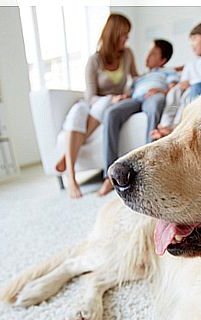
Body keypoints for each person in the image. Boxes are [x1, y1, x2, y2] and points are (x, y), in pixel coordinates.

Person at [56, 14, 138, 199]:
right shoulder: (94, 60)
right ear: (112, 35)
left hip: (109, 105)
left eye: (127, 35)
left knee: (105, 105)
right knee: (77, 111)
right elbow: (90, 95)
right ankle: (71, 178)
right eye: (123, 35)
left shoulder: (127, 55)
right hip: (94, 102)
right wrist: (112, 97)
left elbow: (136, 78)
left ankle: (67, 156)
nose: (126, 39)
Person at [98, 39, 178, 196]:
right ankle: (108, 176)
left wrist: (161, 92)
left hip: (154, 96)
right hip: (135, 99)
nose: (147, 55)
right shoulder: (139, 78)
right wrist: (123, 97)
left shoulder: (168, 72)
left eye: (153, 53)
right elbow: (130, 92)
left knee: (155, 105)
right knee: (111, 113)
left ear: (162, 60)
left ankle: (150, 168)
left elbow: (174, 87)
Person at [150, 21, 201, 141]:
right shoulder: (192, 63)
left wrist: (189, 84)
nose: (191, 44)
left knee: (188, 94)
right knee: (175, 91)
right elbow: (184, 80)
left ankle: (177, 127)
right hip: (187, 88)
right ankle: (165, 125)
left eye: (194, 39)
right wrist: (181, 84)